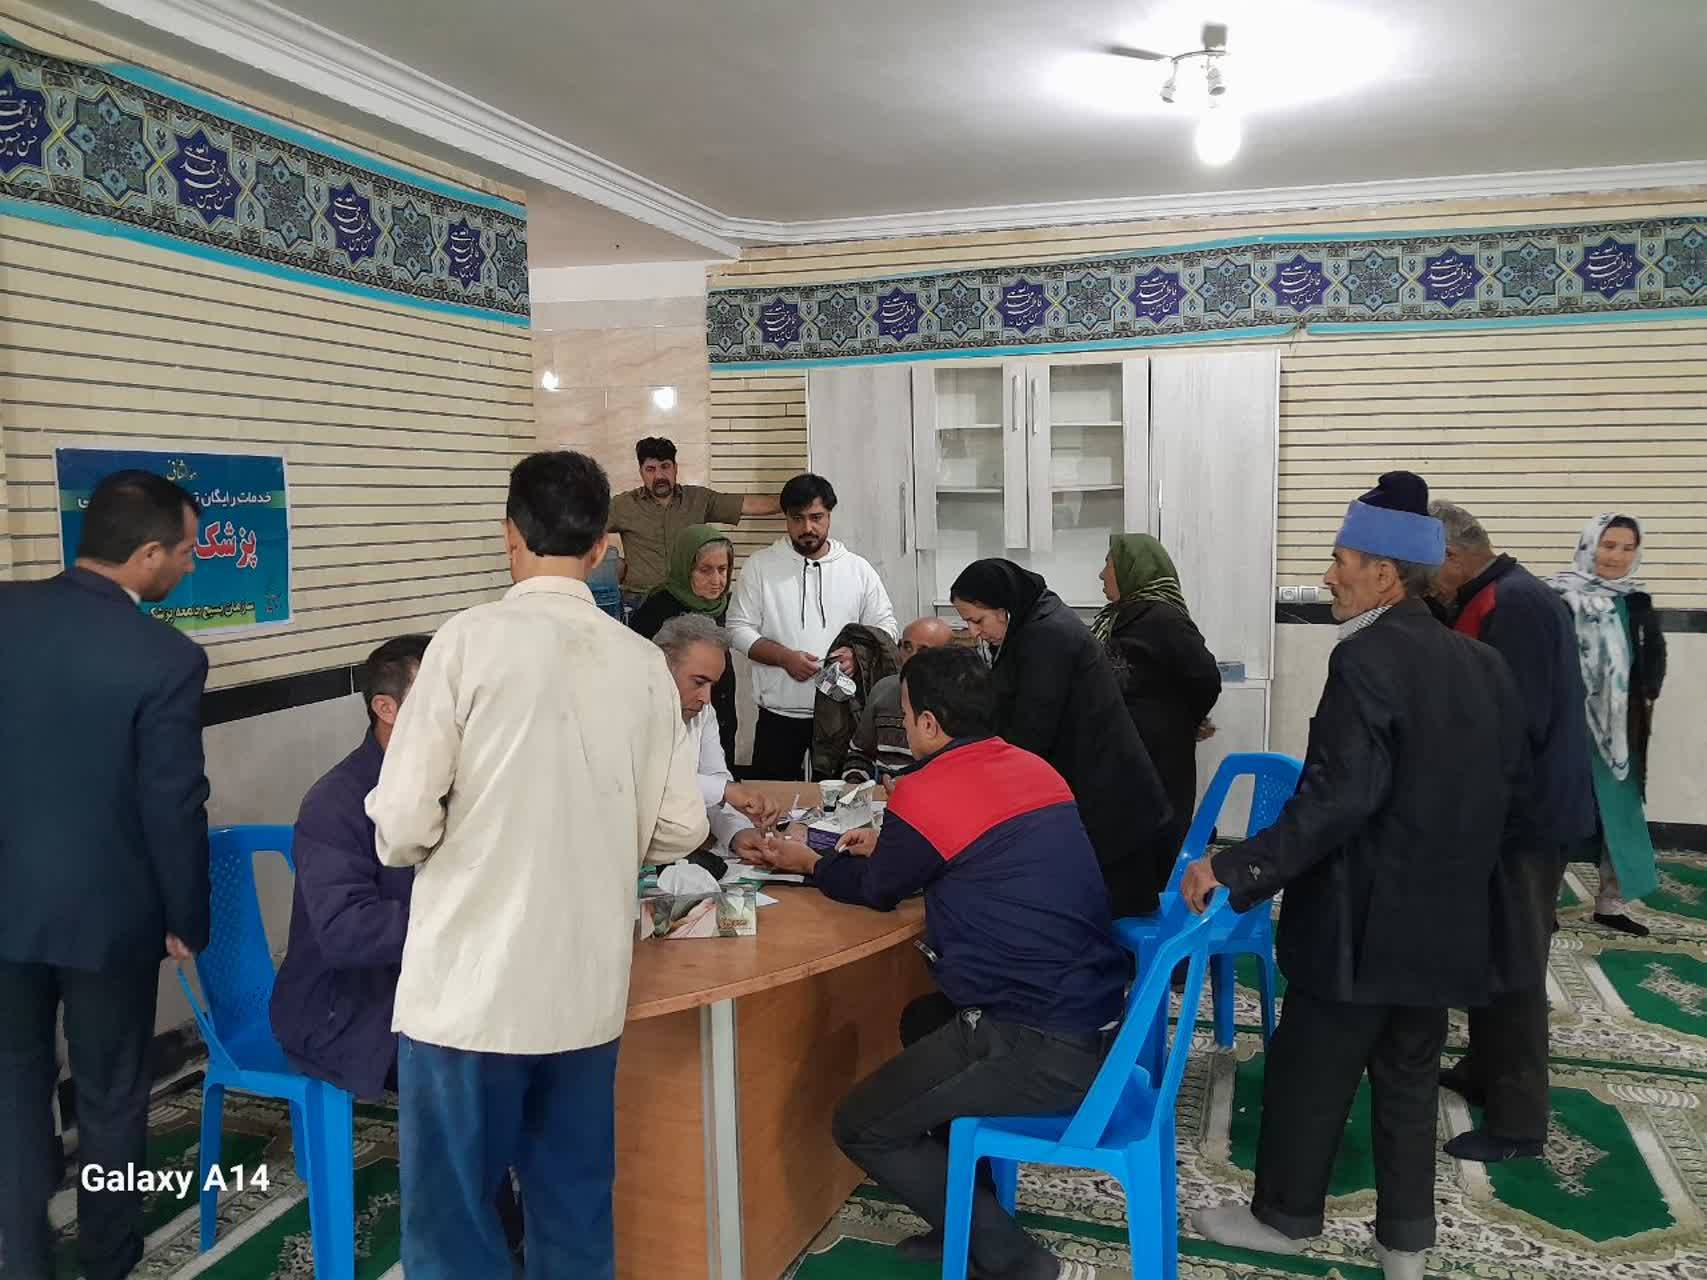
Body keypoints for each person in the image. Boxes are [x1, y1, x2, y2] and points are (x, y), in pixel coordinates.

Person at [366, 450, 709, 1280]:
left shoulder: (465, 642)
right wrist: (597, 837)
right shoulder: (641, 662)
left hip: (468, 997)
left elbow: (402, 828)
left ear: (509, 535)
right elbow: (680, 826)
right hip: (584, 996)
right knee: (574, 1205)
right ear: (601, 549)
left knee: (454, 1221)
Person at [1181, 472, 1528, 1280]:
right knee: (1407, 1078)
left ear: (1383, 573)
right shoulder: (1483, 664)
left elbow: (1340, 797)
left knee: (1310, 1073)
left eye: (1339, 561)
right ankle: (1405, 1242)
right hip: (1444, 921)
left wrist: (1234, 866)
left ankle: (1282, 1219)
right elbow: (1506, 791)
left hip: (1358, 922)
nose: (1328, 576)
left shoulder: (1366, 658)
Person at [747, 646, 1120, 1280]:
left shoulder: (927, 787)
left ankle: (1016, 1261)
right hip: (1096, 1015)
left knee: (860, 1125)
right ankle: (963, 1217)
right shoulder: (1033, 766)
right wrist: (894, 840)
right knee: (922, 1019)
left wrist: (809, 862)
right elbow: (981, 850)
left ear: (927, 722)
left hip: (1036, 1038)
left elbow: (878, 889)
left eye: (906, 713)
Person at [0, 470, 211, 1280]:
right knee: (111, 1092)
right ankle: (107, 1257)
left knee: (14, 1087)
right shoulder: (165, 657)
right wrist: (186, 916)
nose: (190, 566)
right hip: (108, 918)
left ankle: (23, 1258)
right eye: (186, 553)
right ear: (148, 554)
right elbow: (173, 803)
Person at [1428, 501, 1595, 1163]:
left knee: (1516, 963)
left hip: (1526, 819)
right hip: (1510, 812)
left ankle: (1519, 1123)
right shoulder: (1490, 595)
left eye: (1424, 566)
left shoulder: (1514, 604)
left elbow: (1513, 722)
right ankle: (1482, 1070)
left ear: (1450, 556)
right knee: (1491, 949)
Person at [949, 558, 1171, 916]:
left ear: (1005, 608)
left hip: (1111, 806)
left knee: (1105, 918)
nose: (974, 632)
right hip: (1094, 795)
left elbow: (1030, 734)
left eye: (978, 620)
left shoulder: (1047, 636)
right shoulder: (1032, 622)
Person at [726, 473, 898, 780]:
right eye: (797, 518)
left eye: (816, 517)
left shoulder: (857, 569)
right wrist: (784, 658)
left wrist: (856, 655)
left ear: (829, 515)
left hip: (842, 713)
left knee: (840, 801)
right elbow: (737, 628)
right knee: (773, 800)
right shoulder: (760, 566)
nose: (807, 528)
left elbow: (886, 626)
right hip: (778, 715)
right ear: (786, 518)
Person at [1548, 513, 1667, 938]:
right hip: (1568, 723)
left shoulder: (1636, 600)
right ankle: (1543, 903)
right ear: (1589, 545)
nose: (1617, 556)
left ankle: (1611, 904)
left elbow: (1653, 653)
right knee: (1558, 813)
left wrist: (1645, 692)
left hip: (1621, 730)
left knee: (1622, 815)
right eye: (1608, 545)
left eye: (1627, 548)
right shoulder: (1559, 598)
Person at [1092, 533, 1222, 861]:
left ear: (1133, 569)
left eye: (1109, 564)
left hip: (1159, 755)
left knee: (1156, 843)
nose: (1102, 574)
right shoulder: (1118, 618)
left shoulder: (1163, 619)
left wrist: (1183, 719)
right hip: (1125, 752)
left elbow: (1206, 678)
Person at [652, 613, 784, 856]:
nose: (706, 698)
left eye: (712, 685)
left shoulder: (703, 712)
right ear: (662, 668)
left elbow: (715, 783)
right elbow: (652, 781)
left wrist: (738, 834)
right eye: (698, 682)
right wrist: (726, 790)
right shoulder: (628, 714)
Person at [606, 436, 780, 615]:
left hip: (689, 601)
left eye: (665, 466)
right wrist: (611, 562)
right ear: (641, 472)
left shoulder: (698, 499)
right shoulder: (624, 504)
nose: (659, 476)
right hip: (638, 602)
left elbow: (748, 505)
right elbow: (589, 528)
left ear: (675, 468)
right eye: (650, 469)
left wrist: (793, 501)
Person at [630, 525, 739, 765]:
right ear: (685, 569)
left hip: (719, 717)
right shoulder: (656, 610)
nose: (717, 581)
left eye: (722, 570)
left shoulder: (725, 607)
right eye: (705, 570)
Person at [842, 617, 955, 783]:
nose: (912, 657)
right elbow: (860, 754)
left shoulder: (959, 702)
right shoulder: (883, 691)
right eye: (907, 647)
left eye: (923, 651)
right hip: (884, 794)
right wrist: (856, 787)